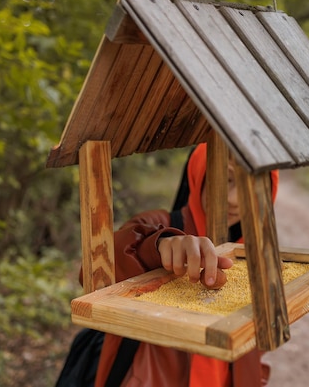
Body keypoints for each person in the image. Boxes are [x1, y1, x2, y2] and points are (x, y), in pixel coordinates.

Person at [92, 143, 279, 387]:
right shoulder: (158, 223)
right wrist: (160, 246)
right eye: (226, 180)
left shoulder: (255, 253)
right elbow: (100, 266)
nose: (233, 200)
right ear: (200, 173)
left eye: (249, 188)